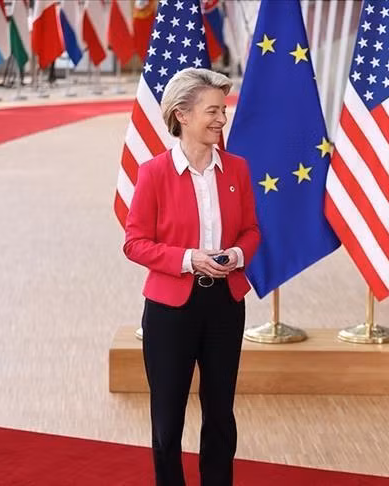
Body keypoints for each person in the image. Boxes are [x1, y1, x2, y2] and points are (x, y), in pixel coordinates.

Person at [123, 67, 260, 485]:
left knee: (220, 411)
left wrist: (236, 254)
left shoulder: (237, 169)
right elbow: (134, 243)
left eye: (223, 110)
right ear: (182, 115)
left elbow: (252, 231)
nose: (221, 118)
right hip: (170, 310)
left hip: (225, 305)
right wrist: (188, 259)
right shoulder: (153, 173)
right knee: (168, 418)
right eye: (212, 110)